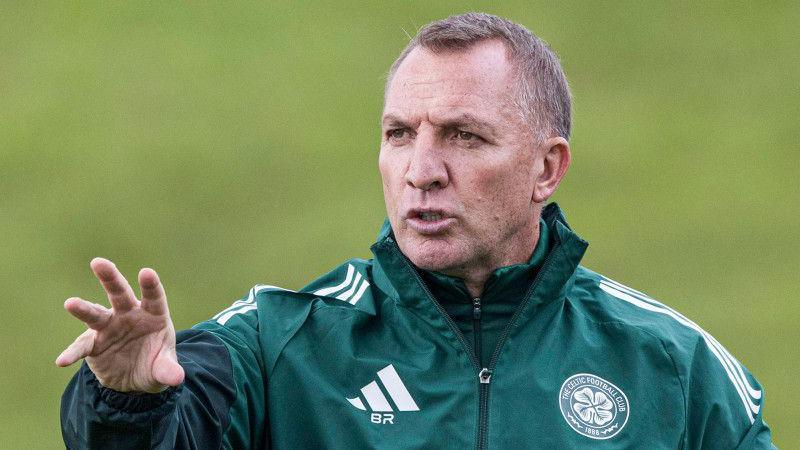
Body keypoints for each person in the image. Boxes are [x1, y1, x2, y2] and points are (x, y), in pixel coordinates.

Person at [57, 12, 775, 449]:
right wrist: (130, 404)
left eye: (464, 136)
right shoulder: (278, 342)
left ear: (546, 168)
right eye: (400, 134)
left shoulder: (677, 368)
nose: (421, 171)